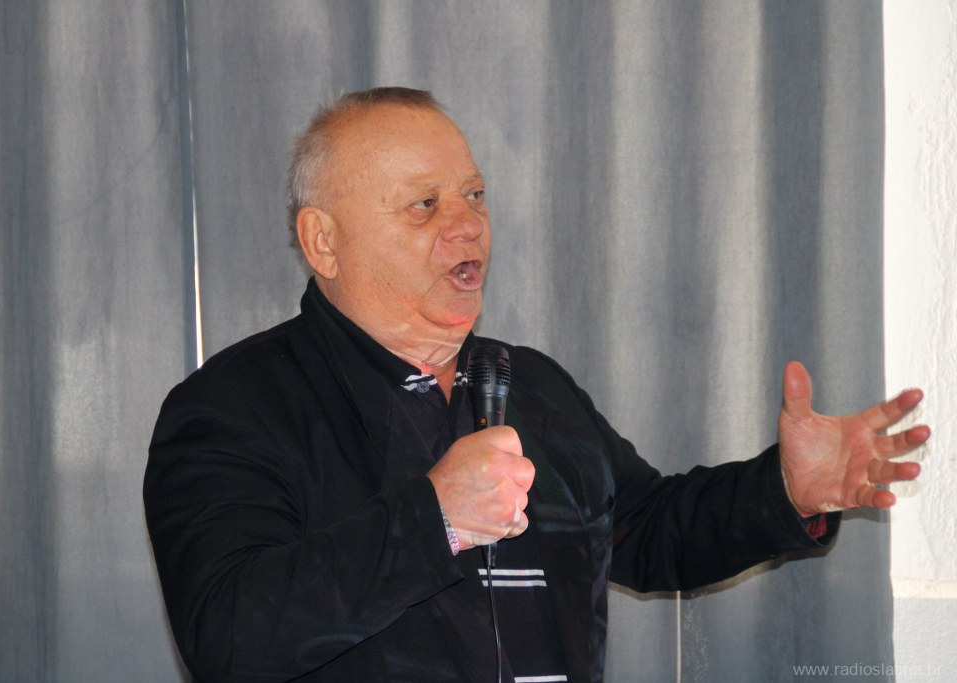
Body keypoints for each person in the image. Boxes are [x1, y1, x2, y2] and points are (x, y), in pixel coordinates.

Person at [144, 87, 929, 683]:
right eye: (425, 205)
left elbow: (647, 530)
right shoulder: (233, 409)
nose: (468, 225)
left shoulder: (529, 384)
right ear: (324, 241)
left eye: (474, 195)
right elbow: (229, 635)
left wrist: (785, 488)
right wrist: (434, 521)